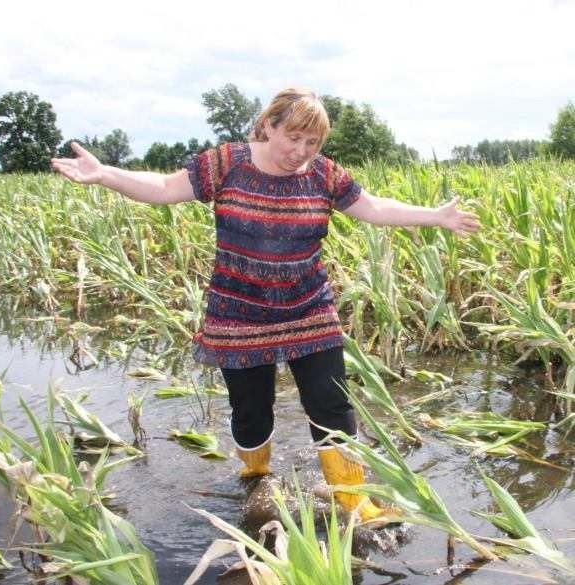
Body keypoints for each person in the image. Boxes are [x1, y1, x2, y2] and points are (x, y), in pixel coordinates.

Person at [52, 88, 479, 525]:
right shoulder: (227, 163)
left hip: (308, 308)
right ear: (269, 126)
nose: (301, 151)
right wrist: (104, 174)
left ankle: (353, 499)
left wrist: (436, 215)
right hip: (239, 314)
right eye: (292, 138)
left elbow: (374, 208)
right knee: (251, 412)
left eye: (312, 143)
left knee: (332, 403)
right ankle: (256, 475)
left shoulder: (325, 175)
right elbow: (163, 187)